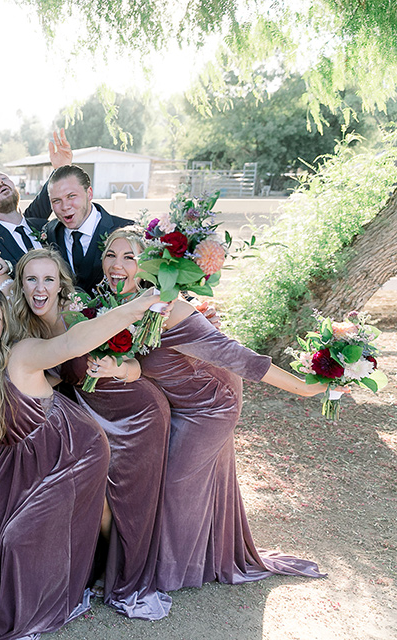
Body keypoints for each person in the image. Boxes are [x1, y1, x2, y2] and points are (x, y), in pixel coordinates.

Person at [102, 228, 331, 591]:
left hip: (211, 405)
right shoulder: (115, 307)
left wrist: (303, 388)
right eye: (110, 256)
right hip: (176, 404)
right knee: (173, 482)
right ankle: (200, 553)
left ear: (146, 265)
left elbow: (236, 356)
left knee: (177, 484)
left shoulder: (172, 309)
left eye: (128, 257)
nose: (116, 266)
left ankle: (172, 573)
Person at [0, 283, 163, 640]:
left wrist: (138, 306)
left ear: (5, 329)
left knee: (18, 538)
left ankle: (50, 595)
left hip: (70, 451)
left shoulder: (20, 356)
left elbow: (71, 344)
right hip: (12, 451)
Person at [12, 247, 173, 620]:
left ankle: (127, 577)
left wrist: (117, 369)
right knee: (101, 500)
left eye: (48, 279)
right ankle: (105, 567)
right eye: (31, 280)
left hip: (137, 415)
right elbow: (53, 375)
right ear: (20, 286)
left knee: (131, 502)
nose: (40, 288)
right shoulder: (29, 329)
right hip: (94, 419)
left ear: (61, 285)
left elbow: (136, 365)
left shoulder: (84, 313)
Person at [0, 129, 74, 268]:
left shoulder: (43, 226)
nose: (0, 182)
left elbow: (47, 195)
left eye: (4, 178)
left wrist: (61, 168)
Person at [43, 164, 133, 292]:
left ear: (89, 193)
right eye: (56, 201)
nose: (65, 207)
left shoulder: (125, 229)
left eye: (71, 196)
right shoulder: (49, 232)